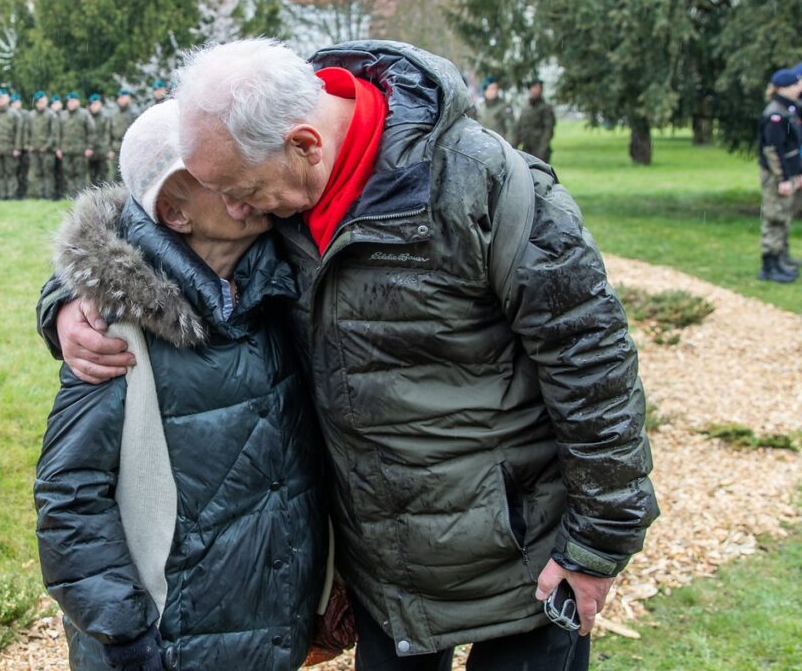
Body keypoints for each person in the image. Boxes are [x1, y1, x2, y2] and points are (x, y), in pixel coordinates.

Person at [41, 39, 659, 671]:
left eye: (244, 192)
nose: (239, 209)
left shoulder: (481, 182)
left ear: (307, 145)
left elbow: (593, 364)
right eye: (221, 192)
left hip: (520, 560)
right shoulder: (270, 185)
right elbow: (155, 239)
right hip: (385, 577)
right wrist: (70, 298)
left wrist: (597, 544)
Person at [35, 100, 325, 671]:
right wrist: (126, 635)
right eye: (219, 176)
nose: (246, 176)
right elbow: (69, 495)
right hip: (169, 648)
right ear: (174, 212)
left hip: (269, 638)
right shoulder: (115, 329)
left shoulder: (281, 282)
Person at [757, 68, 802, 283]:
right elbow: (773, 149)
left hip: (788, 173)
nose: (799, 88)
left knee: (783, 217)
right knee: (774, 218)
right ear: (784, 88)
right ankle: (769, 265)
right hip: (776, 175)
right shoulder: (776, 113)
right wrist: (784, 179)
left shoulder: (789, 109)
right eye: (796, 85)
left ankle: (781, 260)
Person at [0, 89, 24, 199]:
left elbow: (19, 132)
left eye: (3, 98)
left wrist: (17, 148)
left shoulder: (14, 114)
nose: (1, 101)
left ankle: (12, 194)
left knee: (11, 173)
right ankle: (1, 194)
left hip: (10, 149)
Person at [59, 92, 95, 196]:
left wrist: (90, 147)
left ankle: (80, 194)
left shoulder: (85, 114)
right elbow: (58, 133)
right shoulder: (63, 115)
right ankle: (70, 194)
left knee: (80, 174)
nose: (71, 103)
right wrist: (59, 148)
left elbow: (91, 132)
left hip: (80, 150)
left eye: (73, 101)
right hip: (66, 150)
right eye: (69, 101)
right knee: (68, 174)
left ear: (78, 102)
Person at [28, 91, 61, 200]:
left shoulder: (51, 115)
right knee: (37, 173)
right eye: (39, 102)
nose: (41, 104)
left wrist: (46, 147)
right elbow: (26, 131)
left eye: (43, 101)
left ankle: (49, 195)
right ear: (36, 103)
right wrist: (29, 145)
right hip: (34, 150)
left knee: (48, 174)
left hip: (47, 151)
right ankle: (40, 195)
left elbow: (54, 134)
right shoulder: (31, 115)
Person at [514, 79, 556, 162]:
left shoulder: (546, 108)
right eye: (533, 88)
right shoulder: (526, 107)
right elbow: (520, 127)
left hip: (540, 149)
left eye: (538, 88)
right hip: (526, 148)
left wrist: (542, 149)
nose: (535, 90)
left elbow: (548, 130)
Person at [108, 89, 136, 179]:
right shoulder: (114, 115)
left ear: (129, 98)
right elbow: (109, 133)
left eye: (123, 97)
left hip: (129, 149)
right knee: (116, 177)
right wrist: (110, 149)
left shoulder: (134, 113)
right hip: (116, 149)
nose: (121, 100)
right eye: (119, 98)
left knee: (129, 176)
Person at [477, 76, 514, 143]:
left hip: (500, 146)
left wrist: (509, 147)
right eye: (491, 89)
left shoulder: (504, 106)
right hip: (483, 146)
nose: (494, 92)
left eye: (496, 89)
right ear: (485, 90)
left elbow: (510, 128)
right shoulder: (481, 107)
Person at [87, 94, 111, 185]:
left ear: (100, 104)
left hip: (102, 151)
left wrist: (109, 149)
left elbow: (108, 134)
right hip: (91, 151)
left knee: (103, 175)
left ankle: (104, 196)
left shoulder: (105, 117)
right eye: (92, 104)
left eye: (96, 104)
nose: (94, 106)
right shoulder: (87, 117)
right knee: (92, 175)